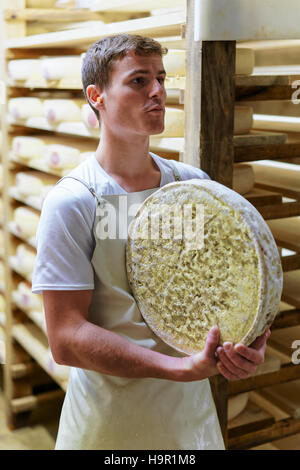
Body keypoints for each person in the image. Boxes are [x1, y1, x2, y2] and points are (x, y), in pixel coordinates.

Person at [32, 34, 270, 450]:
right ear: (97, 96)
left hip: (188, 418)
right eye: (139, 80)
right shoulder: (74, 201)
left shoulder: (192, 188)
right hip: (108, 421)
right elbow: (66, 338)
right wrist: (178, 367)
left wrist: (246, 342)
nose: (158, 91)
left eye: (160, 78)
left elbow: (215, 292)